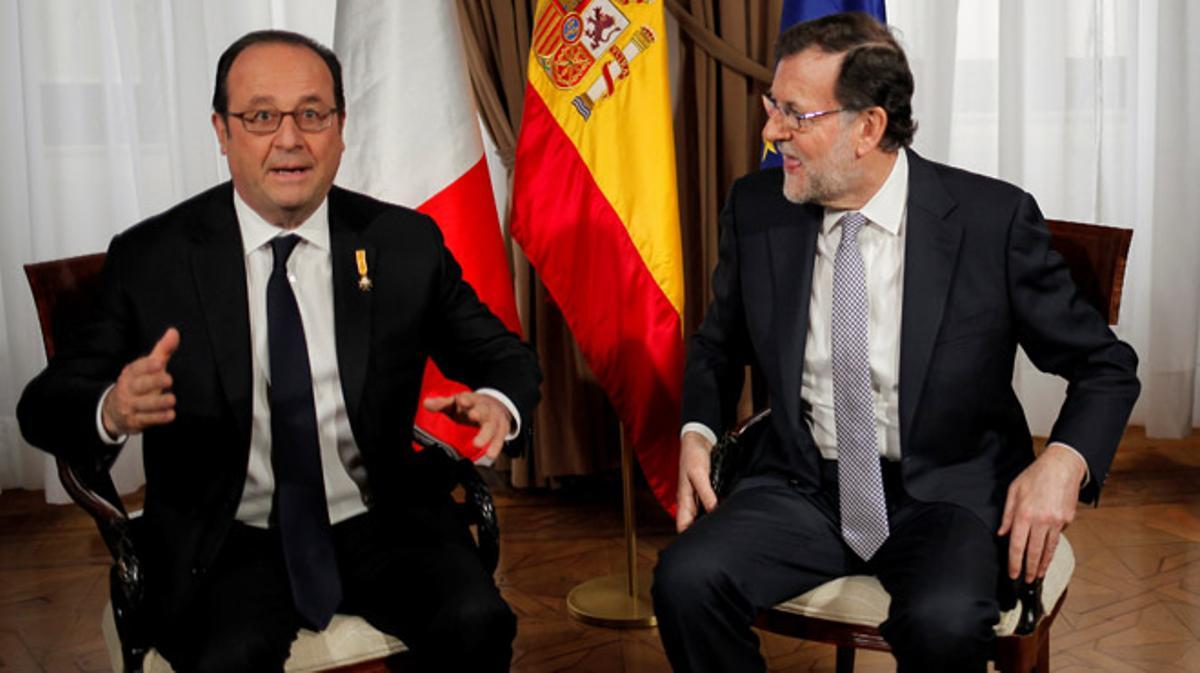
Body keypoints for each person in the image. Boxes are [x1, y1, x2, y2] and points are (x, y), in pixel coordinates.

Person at [18, 30, 540, 673]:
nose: (289, 139)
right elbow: (43, 404)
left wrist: (496, 402)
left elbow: (505, 358)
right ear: (222, 129)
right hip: (226, 533)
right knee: (228, 656)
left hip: (380, 520)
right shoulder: (153, 258)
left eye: (312, 114)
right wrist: (111, 408)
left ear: (341, 128)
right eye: (261, 116)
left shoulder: (402, 243)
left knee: (477, 624)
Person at [652, 12, 1139, 673]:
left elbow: (1104, 366)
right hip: (802, 483)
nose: (771, 132)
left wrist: (1063, 462)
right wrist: (699, 429)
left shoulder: (990, 222)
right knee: (687, 579)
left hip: (947, 491)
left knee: (941, 623)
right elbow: (717, 344)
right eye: (773, 107)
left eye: (796, 114)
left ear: (869, 128)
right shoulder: (757, 208)